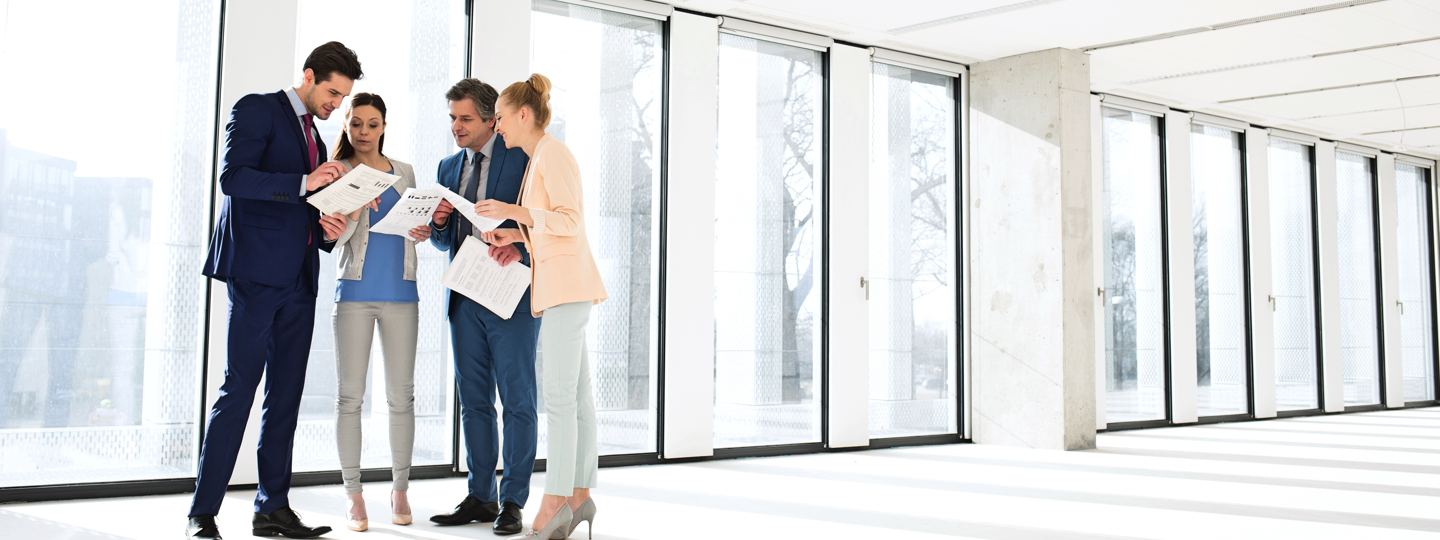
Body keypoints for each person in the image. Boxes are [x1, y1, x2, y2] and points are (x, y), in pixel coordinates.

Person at [189, 41, 363, 540]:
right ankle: (202, 512)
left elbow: (300, 199)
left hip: (300, 277)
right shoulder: (257, 108)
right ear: (307, 77)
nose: (336, 104)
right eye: (332, 92)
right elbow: (233, 178)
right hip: (257, 274)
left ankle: (272, 508)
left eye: (343, 96)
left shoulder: (313, 134)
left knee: (285, 396)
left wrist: (326, 224)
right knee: (239, 389)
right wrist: (306, 182)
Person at [479, 73, 607, 540]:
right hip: (561, 287)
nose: (498, 128)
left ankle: (555, 501)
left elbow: (571, 222)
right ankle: (578, 495)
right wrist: (516, 236)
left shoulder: (553, 154)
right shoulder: (539, 160)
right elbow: (551, 227)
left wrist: (514, 214)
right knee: (576, 400)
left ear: (523, 114)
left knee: (558, 398)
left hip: (566, 289)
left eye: (501, 119)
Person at [426, 78, 542, 537]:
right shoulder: (448, 165)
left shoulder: (525, 157)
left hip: (512, 296)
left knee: (517, 401)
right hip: (465, 295)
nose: (456, 126)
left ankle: (512, 500)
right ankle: (480, 495)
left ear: (493, 119)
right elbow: (443, 241)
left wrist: (524, 249)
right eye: (452, 118)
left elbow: (546, 220)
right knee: (473, 402)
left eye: (465, 119)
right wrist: (436, 225)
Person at [324, 92, 433, 532]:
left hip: (402, 295)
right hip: (353, 294)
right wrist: (351, 209)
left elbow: (412, 225)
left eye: (372, 124)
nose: (364, 132)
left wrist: (423, 228)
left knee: (400, 397)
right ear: (347, 127)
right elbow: (335, 237)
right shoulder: (338, 173)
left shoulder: (404, 172)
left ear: (384, 126)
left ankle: (400, 488)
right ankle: (353, 494)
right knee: (349, 398)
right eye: (356, 125)